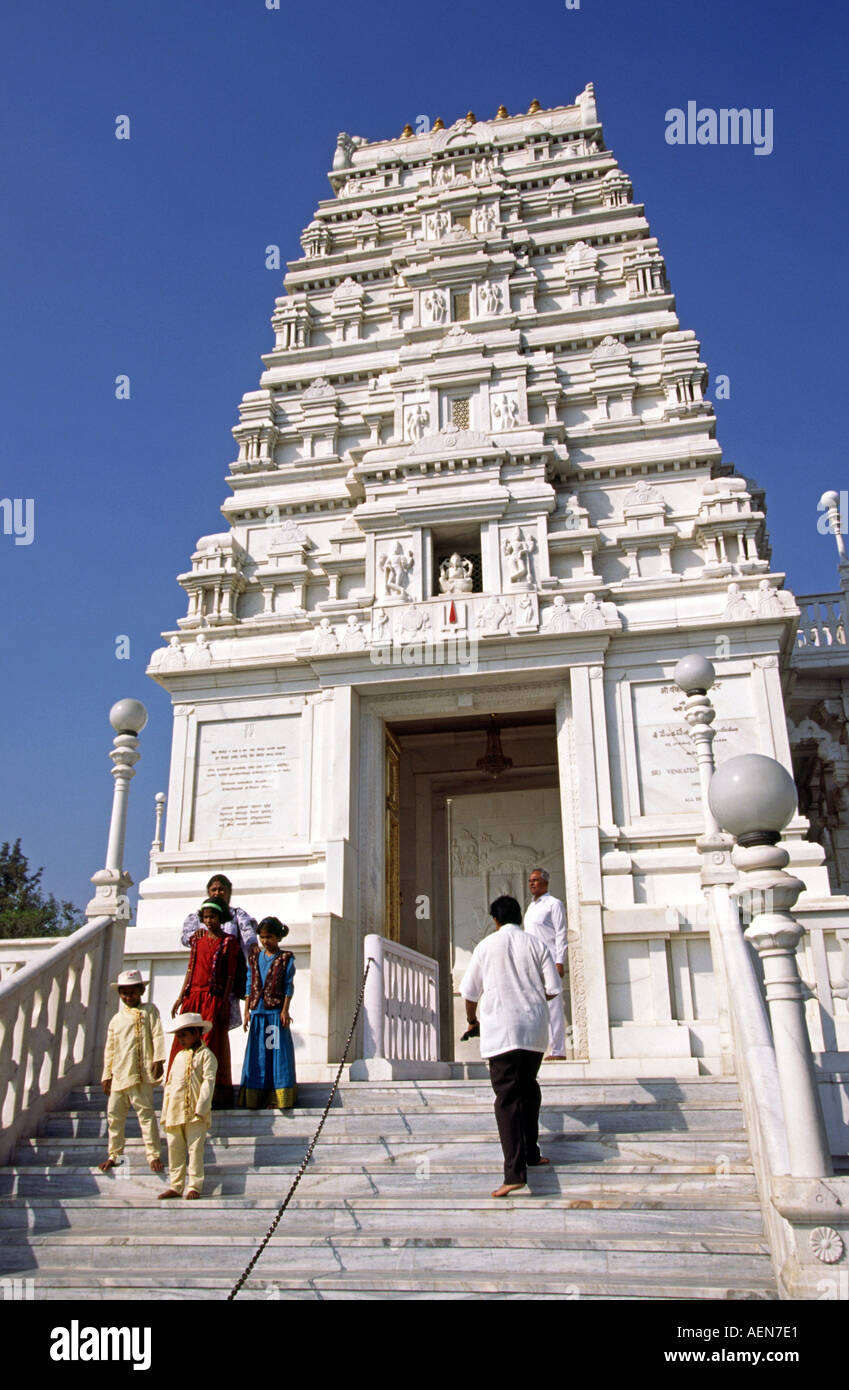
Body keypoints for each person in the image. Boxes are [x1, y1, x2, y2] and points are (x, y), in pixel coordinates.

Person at [461, 895, 562, 1198]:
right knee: (528, 1088)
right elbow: (553, 989)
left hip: (501, 1031)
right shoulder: (537, 945)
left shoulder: (485, 947)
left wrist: (472, 1020)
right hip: (533, 1032)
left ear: (495, 919)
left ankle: (515, 1173)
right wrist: (530, 1004)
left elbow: (469, 992)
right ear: (520, 917)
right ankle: (531, 1153)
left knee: (507, 1099)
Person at [171, 899, 240, 1107]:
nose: (209, 921)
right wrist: (181, 995)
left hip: (213, 998)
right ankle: (182, 1092)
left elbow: (229, 975)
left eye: (213, 917)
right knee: (184, 1043)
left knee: (209, 1044)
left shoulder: (228, 942)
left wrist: (225, 1001)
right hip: (194, 997)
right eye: (206, 917)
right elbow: (190, 969)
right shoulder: (196, 940)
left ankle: (209, 1096)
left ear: (221, 918)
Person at [99, 969, 166, 1175]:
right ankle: (114, 1155)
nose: (129, 997)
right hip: (120, 1074)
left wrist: (158, 1059)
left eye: (133, 992)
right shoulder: (116, 1020)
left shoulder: (149, 1011)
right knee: (115, 1117)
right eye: (124, 993)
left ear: (142, 991)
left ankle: (153, 1155)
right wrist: (106, 1075)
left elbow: (157, 1034)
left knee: (146, 1116)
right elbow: (110, 1049)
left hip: (141, 1073)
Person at [181, 874, 258, 1028]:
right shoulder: (199, 916)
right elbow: (185, 938)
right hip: (202, 977)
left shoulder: (237, 914)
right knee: (199, 1022)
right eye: (213, 890)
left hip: (227, 975)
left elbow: (248, 933)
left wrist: (252, 946)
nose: (217, 893)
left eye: (221, 889)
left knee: (220, 1020)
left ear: (229, 892)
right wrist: (194, 936)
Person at [238, 917, 297, 1110]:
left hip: (274, 1013)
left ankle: (277, 1097)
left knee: (276, 1054)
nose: (265, 941)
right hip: (258, 1013)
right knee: (258, 1055)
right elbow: (249, 984)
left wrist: (285, 1010)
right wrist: (247, 1011)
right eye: (262, 937)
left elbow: (288, 985)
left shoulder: (286, 958)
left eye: (269, 937)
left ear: (278, 937)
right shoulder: (254, 958)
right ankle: (256, 1097)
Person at [159, 1014, 217, 1201]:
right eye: (179, 1036)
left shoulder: (206, 1056)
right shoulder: (178, 1057)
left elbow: (208, 1083)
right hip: (175, 1111)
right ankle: (175, 1185)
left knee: (195, 1150)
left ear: (196, 1033)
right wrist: (166, 1112)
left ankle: (194, 1185)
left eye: (184, 1035)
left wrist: (201, 1108)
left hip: (195, 1113)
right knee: (174, 1149)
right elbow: (169, 1085)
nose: (181, 1040)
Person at [523, 868, 568, 1059]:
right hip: (532, 961)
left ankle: (558, 1050)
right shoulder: (531, 907)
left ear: (545, 882)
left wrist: (560, 961)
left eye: (535, 880)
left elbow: (561, 933)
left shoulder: (554, 904)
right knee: (535, 1005)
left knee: (554, 1005)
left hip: (550, 959)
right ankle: (539, 1047)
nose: (532, 883)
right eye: (530, 881)